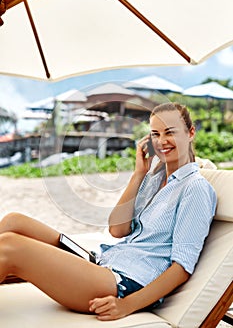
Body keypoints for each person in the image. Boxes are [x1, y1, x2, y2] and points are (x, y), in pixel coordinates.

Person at [0, 102, 217, 321]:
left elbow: (182, 268)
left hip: (124, 282)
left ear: (190, 133)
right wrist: (138, 174)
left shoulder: (195, 188)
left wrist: (126, 305)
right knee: (13, 221)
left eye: (170, 132)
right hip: (103, 262)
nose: (161, 141)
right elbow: (117, 229)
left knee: (9, 246)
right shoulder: (154, 178)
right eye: (155, 134)